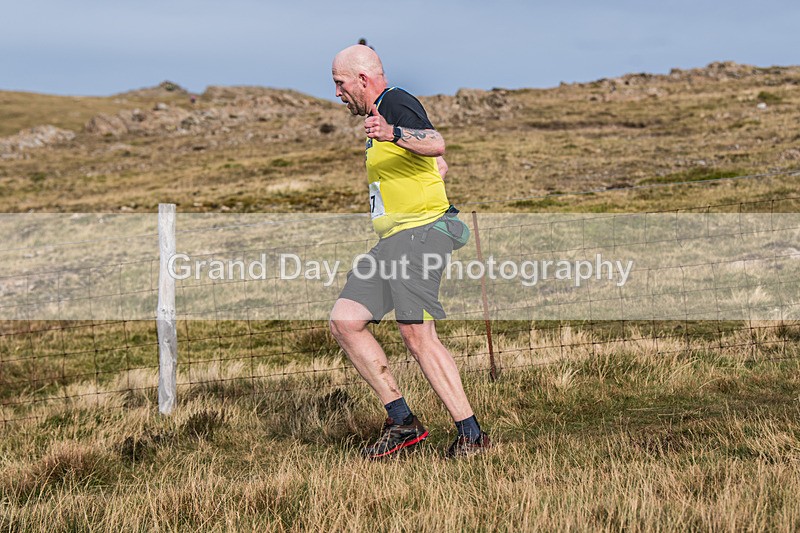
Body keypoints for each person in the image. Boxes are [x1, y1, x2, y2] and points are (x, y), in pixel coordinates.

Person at [329, 44, 490, 458]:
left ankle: (471, 435)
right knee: (346, 320)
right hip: (393, 241)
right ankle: (403, 422)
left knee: (416, 333)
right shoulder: (375, 118)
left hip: (420, 235)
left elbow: (435, 142)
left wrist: (396, 133)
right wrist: (427, 165)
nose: (337, 93)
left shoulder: (394, 102)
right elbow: (434, 162)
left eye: (340, 83)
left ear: (362, 80)